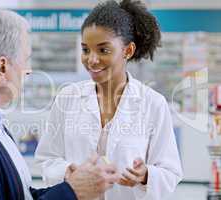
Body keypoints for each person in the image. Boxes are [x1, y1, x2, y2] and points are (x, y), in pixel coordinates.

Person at [0, 10, 120, 200]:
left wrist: (72, 185)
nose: (29, 70)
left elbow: (18, 195)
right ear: (2, 67)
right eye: (26, 60)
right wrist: (72, 192)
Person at [35, 0, 183, 199]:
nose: (92, 60)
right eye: (86, 50)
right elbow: (47, 159)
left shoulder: (153, 104)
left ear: (128, 51)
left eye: (103, 50)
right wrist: (69, 171)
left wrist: (146, 175)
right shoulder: (67, 98)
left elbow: (170, 172)